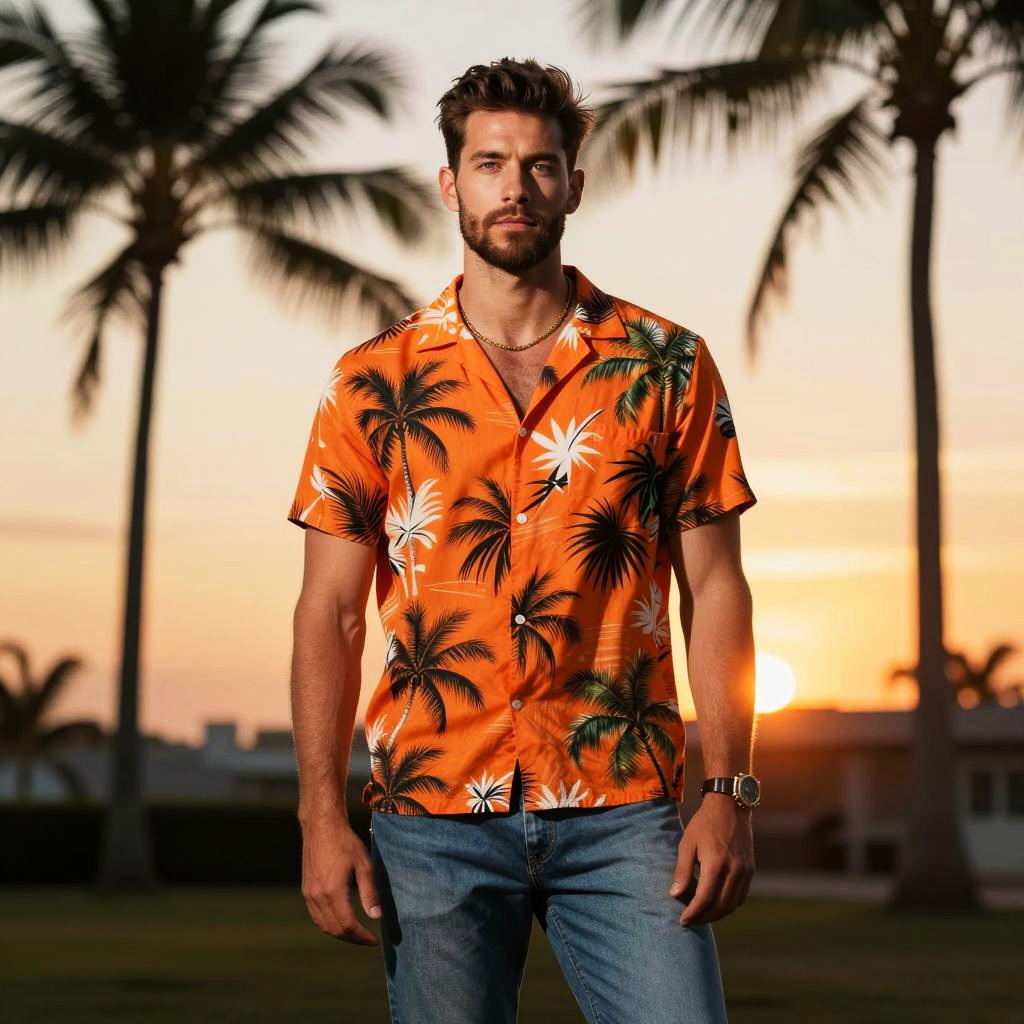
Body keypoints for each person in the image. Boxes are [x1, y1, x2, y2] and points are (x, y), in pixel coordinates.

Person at [287, 56, 760, 1024]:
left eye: (540, 165)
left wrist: (729, 791)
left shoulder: (666, 363)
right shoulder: (370, 382)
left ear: (573, 185)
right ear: (450, 182)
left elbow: (715, 589)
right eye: (490, 161)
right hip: (432, 815)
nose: (515, 186)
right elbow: (330, 611)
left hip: (625, 809)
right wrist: (319, 815)